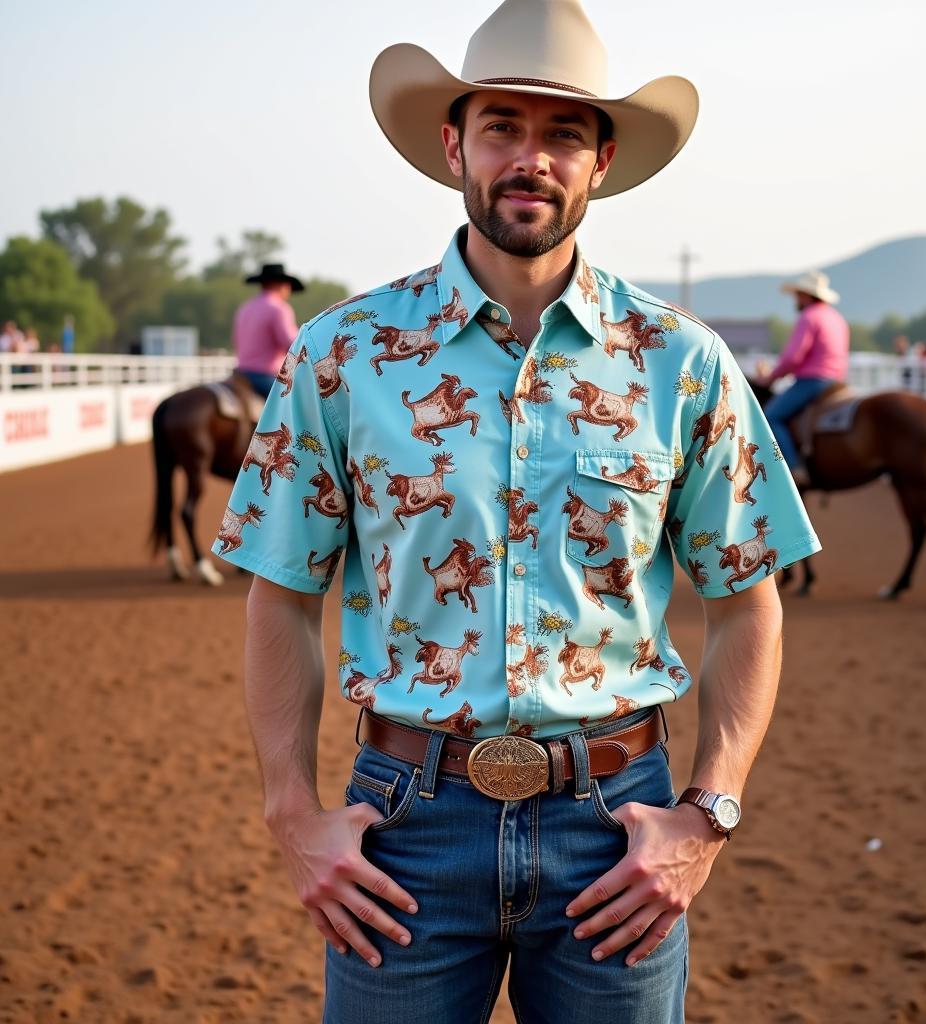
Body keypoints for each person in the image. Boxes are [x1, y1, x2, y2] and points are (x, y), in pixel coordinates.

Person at [213, 2, 821, 1021]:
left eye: (562, 133)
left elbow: (749, 602)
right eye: (501, 126)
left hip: (615, 830)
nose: (528, 157)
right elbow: (279, 596)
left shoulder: (681, 363)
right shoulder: (342, 354)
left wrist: (706, 811)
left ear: (602, 160)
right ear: (454, 144)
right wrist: (290, 812)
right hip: (405, 825)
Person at [759, 270, 849, 488]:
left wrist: (770, 377)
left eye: (798, 295)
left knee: (770, 417)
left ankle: (793, 467)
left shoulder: (809, 317)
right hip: (836, 381)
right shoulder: (837, 318)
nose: (796, 299)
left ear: (808, 296)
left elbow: (793, 357)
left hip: (813, 381)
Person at [230, 262, 304, 397]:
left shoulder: (245, 308)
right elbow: (292, 344)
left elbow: (235, 340)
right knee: (300, 401)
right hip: (264, 375)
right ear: (282, 285)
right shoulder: (279, 308)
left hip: (240, 373)